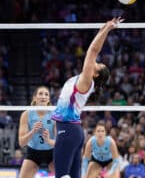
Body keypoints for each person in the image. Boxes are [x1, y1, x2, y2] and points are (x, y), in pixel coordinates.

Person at [51, 17, 123, 178]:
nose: (95, 62)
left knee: (61, 176)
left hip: (68, 130)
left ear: (96, 74)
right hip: (73, 131)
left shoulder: (86, 81)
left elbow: (93, 50)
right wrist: (105, 27)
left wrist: (108, 30)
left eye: (98, 64)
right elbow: (94, 49)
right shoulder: (84, 80)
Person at [18, 86, 55, 178]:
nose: (43, 96)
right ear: (35, 97)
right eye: (40, 93)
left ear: (49, 99)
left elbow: (59, 142)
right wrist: (33, 131)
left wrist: (48, 140)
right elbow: (22, 143)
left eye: (46, 94)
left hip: (52, 153)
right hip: (33, 153)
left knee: (64, 175)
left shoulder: (55, 115)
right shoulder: (26, 114)